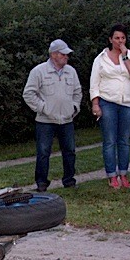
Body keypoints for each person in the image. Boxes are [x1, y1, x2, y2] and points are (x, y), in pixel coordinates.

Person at [22, 39, 82, 191]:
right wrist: (43, 107)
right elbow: (28, 94)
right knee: (43, 152)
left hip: (67, 119)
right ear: (54, 54)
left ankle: (69, 181)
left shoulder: (71, 72)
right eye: (63, 54)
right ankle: (41, 183)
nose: (67, 57)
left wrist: (74, 107)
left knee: (69, 151)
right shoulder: (38, 71)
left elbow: (77, 92)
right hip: (45, 120)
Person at [90, 24, 130, 189]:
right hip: (108, 102)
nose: (120, 41)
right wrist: (95, 104)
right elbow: (94, 83)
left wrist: (125, 56)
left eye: (122, 38)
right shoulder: (100, 59)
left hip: (127, 103)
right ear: (110, 39)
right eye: (117, 38)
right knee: (110, 141)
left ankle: (124, 174)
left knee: (125, 141)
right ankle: (112, 176)